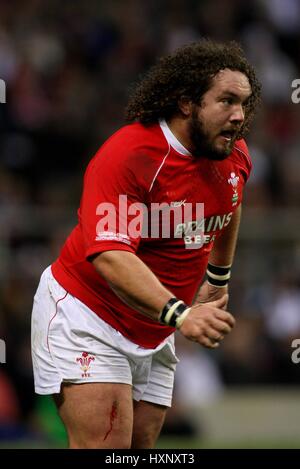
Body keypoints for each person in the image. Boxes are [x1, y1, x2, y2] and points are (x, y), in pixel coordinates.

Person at [31, 39, 261, 449]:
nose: (239, 115)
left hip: (154, 327)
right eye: (226, 101)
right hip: (89, 317)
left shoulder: (233, 154)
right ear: (187, 103)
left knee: (140, 449)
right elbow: (111, 255)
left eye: (244, 103)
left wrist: (218, 278)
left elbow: (230, 203)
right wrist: (181, 315)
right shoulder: (130, 155)